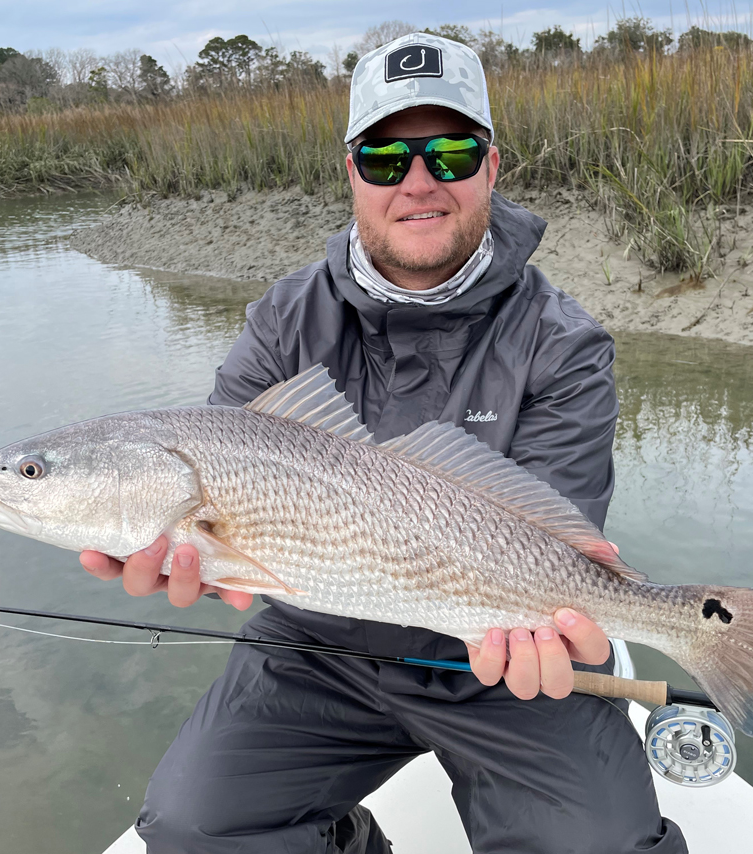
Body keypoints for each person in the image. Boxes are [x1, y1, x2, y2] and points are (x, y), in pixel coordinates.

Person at [81, 33, 687, 854]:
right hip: (316, 644)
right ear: (351, 173)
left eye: (451, 151)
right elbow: (219, 455)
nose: (419, 181)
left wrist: (580, 619)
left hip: (497, 656)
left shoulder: (563, 342)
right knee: (193, 828)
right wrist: (172, 550)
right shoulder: (283, 318)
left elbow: (557, 536)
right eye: (385, 158)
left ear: (493, 167)